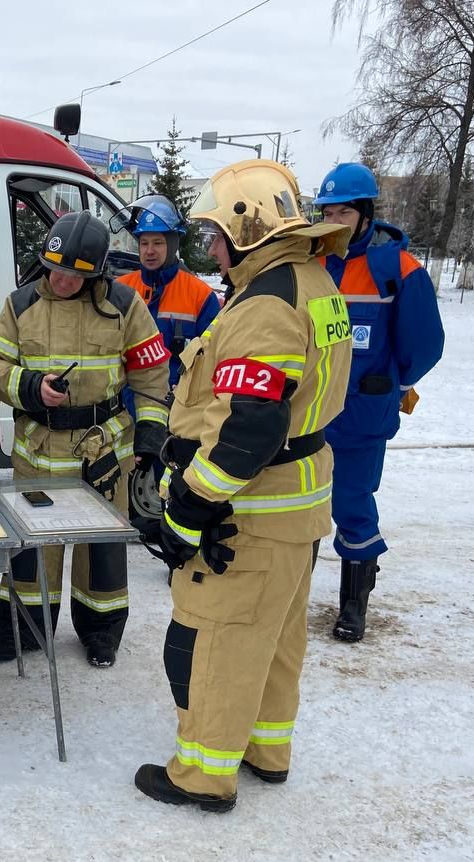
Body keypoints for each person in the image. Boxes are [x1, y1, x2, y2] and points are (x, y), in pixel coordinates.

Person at [133, 158, 354, 812]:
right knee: (275, 638)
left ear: (246, 230)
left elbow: (249, 430)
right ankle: (266, 749)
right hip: (300, 504)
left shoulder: (267, 304)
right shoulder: (312, 282)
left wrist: (191, 503)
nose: (210, 248)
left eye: (215, 234)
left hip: (251, 510)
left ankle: (202, 773)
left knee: (214, 637)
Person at [0, 211, 170, 669]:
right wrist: (29, 387)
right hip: (39, 450)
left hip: (103, 451)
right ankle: (23, 632)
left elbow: (151, 375)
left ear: (97, 273)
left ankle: (100, 634)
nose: (62, 281)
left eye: (74, 275)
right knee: (32, 548)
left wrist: (149, 436)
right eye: (56, 271)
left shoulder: (125, 306)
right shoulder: (21, 304)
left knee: (99, 552)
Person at [314, 163, 445, 642]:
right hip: (308, 413)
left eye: (343, 211)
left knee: (351, 504)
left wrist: (392, 382)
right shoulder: (311, 263)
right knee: (296, 505)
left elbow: (425, 344)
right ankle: (288, 592)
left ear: (366, 212)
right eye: (326, 211)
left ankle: (353, 604)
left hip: (361, 415)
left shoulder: (399, 270)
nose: (333, 220)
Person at [114, 195, 222, 527]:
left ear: (173, 244)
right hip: (124, 401)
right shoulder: (120, 289)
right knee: (119, 477)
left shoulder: (199, 295)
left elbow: (213, 357)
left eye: (158, 242)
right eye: (144, 242)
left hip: (176, 408)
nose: (149, 250)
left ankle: (172, 542)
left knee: (171, 480)